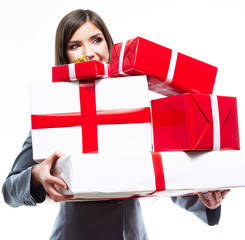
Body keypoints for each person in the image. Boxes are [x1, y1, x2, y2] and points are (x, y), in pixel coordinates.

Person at [2, 9, 229, 240]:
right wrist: (36, 175)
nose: (89, 53)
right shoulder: (55, 113)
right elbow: (9, 191)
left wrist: (207, 202)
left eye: (96, 40)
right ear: (64, 55)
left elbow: (164, 170)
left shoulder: (137, 105)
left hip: (132, 234)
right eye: (75, 45)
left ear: (109, 45)